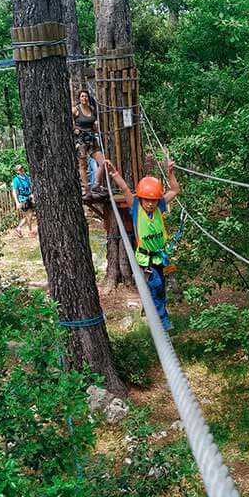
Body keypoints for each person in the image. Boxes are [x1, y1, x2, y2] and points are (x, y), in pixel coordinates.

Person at [105, 159, 180, 331]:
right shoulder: (137, 209)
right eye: (147, 200)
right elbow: (125, 190)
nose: (150, 204)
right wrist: (115, 174)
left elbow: (175, 190)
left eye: (153, 200)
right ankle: (162, 319)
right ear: (141, 199)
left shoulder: (160, 206)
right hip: (146, 258)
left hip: (161, 256)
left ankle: (154, 312)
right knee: (156, 285)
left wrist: (170, 174)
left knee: (160, 286)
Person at [73, 88, 106, 198]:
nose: (84, 98)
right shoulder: (76, 109)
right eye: (82, 96)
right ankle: (87, 190)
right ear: (79, 98)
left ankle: (96, 186)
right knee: (83, 165)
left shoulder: (92, 109)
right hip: (81, 140)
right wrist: (74, 129)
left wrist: (96, 129)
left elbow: (93, 124)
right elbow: (67, 120)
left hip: (91, 139)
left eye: (86, 96)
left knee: (102, 162)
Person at [11, 164, 36, 237]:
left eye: (22, 168)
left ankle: (18, 228)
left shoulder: (26, 177)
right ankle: (30, 231)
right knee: (29, 215)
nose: (21, 170)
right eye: (19, 169)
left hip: (29, 198)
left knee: (29, 215)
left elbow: (30, 187)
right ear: (17, 171)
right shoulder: (16, 180)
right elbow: (14, 191)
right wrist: (17, 202)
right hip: (22, 200)